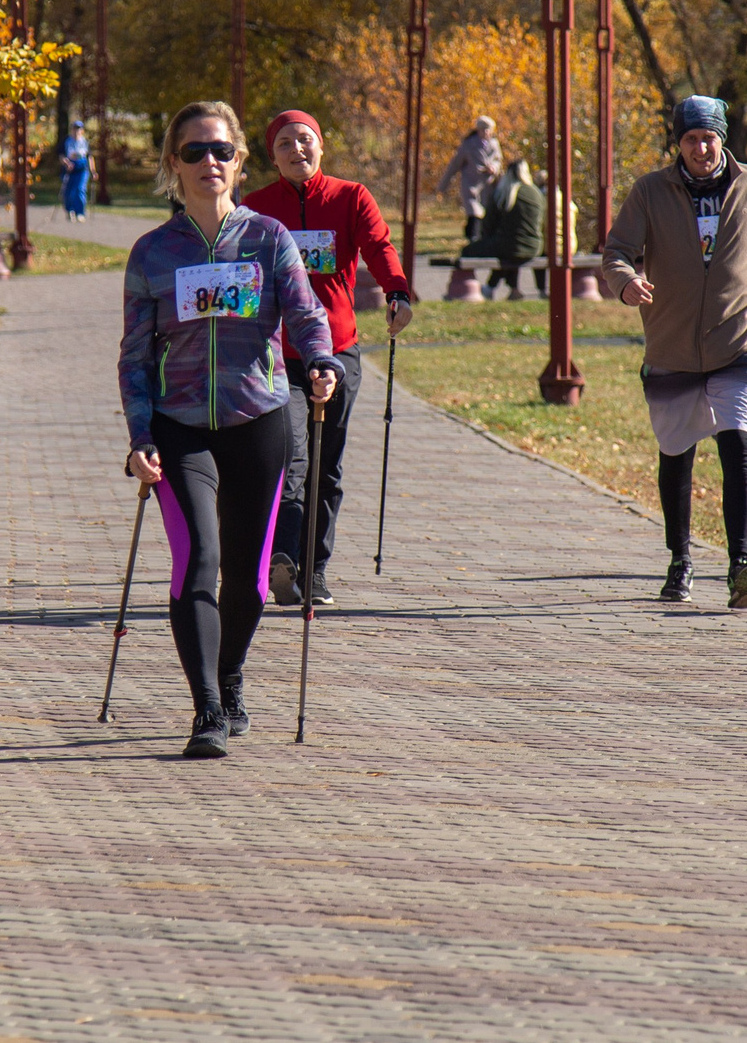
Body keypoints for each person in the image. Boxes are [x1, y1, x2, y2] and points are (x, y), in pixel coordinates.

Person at [119, 101, 338, 758]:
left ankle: (231, 675)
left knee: (247, 579)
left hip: (257, 420)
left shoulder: (269, 239)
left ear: (239, 160)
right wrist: (138, 436)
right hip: (178, 427)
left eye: (219, 150)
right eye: (193, 152)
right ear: (173, 164)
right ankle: (207, 710)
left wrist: (322, 359)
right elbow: (133, 358)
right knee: (198, 561)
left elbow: (304, 316)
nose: (208, 162)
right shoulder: (152, 253)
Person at [602, 94, 747, 609]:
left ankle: (740, 564)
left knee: (738, 442)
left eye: (708, 137)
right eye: (690, 138)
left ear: (723, 138)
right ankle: (680, 560)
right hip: (671, 346)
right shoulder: (651, 191)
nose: (701, 147)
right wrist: (626, 283)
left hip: (740, 341)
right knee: (677, 454)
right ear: (679, 143)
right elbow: (616, 251)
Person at [244, 109, 415, 608]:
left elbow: (378, 245)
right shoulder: (256, 207)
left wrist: (397, 291)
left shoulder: (350, 197)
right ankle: (283, 560)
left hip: (337, 352)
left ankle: (315, 570)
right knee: (291, 453)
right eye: (284, 144)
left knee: (328, 465)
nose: (297, 151)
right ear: (271, 155)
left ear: (321, 145)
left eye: (305, 140)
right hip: (279, 354)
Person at [474, 156, 544, 299]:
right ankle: (513, 290)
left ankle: (477, 287)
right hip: (535, 246)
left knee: (501, 248)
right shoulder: (535, 193)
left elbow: (488, 224)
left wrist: (486, 240)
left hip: (511, 246)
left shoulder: (503, 192)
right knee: (512, 248)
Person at [436, 116, 504, 245]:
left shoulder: (494, 144)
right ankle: (473, 239)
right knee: (474, 213)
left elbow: (498, 161)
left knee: (486, 213)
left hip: (488, 185)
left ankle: (482, 239)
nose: (486, 132)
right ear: (478, 130)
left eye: (488, 129)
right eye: (483, 129)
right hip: (472, 184)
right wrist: (443, 185)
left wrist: (494, 168)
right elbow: (455, 165)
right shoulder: (468, 145)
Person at [60, 121, 92, 220]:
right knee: (69, 191)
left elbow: (89, 157)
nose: (76, 131)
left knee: (80, 189)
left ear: (82, 130)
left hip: (82, 169)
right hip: (69, 170)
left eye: (79, 129)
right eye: (75, 128)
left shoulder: (85, 142)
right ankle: (70, 210)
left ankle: (80, 212)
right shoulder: (67, 141)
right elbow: (61, 156)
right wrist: (66, 163)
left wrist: (93, 170)